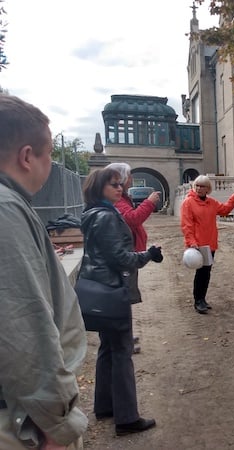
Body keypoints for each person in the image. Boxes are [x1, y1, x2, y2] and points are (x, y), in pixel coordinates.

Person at [0, 94, 87, 449]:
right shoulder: (6, 211)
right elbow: (25, 325)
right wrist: (55, 425)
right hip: (21, 424)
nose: (50, 164)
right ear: (26, 156)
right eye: (49, 154)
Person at [79, 167, 163, 436]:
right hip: (112, 290)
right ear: (98, 188)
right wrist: (148, 254)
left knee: (108, 348)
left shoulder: (92, 213)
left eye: (120, 184)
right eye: (113, 185)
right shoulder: (106, 217)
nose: (120, 189)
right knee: (122, 351)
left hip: (99, 290)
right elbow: (121, 258)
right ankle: (127, 418)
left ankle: (105, 406)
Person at [105, 162, 161, 353]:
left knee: (125, 299)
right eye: (128, 176)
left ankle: (125, 337)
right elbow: (133, 218)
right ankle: (123, 342)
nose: (130, 180)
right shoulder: (118, 201)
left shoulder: (122, 198)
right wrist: (150, 202)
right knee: (122, 300)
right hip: (126, 258)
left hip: (130, 254)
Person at [180, 175, 234, 313]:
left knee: (206, 272)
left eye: (202, 186)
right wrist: (191, 242)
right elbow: (186, 225)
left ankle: (202, 299)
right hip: (197, 245)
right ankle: (198, 301)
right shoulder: (188, 203)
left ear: (208, 189)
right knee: (201, 273)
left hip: (210, 243)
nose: (199, 188)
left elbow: (225, 210)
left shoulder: (211, 203)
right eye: (197, 185)